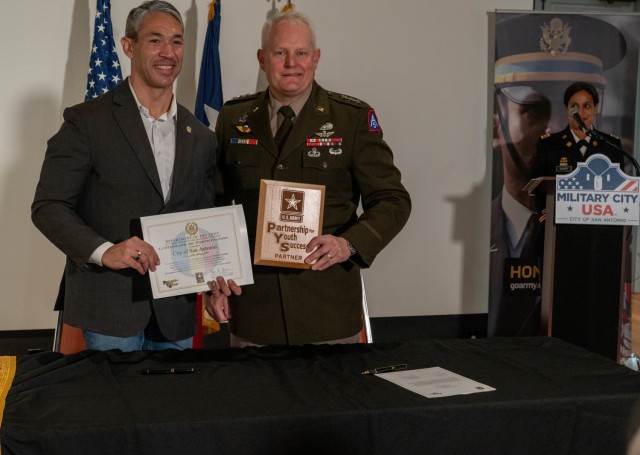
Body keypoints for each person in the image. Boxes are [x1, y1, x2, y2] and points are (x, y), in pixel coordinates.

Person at [31, 0, 240, 352]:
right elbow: (48, 206)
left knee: (171, 406)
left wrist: (213, 281)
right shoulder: (87, 122)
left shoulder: (201, 136)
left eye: (176, 41)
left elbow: (202, 220)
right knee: (115, 407)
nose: (168, 52)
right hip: (111, 307)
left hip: (177, 311)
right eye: (155, 40)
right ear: (128, 46)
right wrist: (104, 251)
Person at [213, 9, 411, 346]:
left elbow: (393, 200)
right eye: (280, 53)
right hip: (255, 311)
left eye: (301, 53)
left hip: (327, 312)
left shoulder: (351, 119)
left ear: (315, 58)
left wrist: (348, 244)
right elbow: (215, 204)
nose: (292, 62)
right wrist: (215, 276)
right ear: (262, 59)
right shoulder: (234, 118)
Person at [489, 13, 627, 337]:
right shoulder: (552, 147)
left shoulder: (611, 147)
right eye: (533, 108)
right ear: (499, 119)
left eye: (587, 107)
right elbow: (540, 186)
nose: (551, 125)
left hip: (594, 251)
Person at [535, 81, 624, 175]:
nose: (580, 112)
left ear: (595, 108)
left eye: (586, 106)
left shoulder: (611, 145)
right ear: (566, 108)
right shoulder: (549, 145)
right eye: (574, 106)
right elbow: (537, 186)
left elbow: (621, 185)